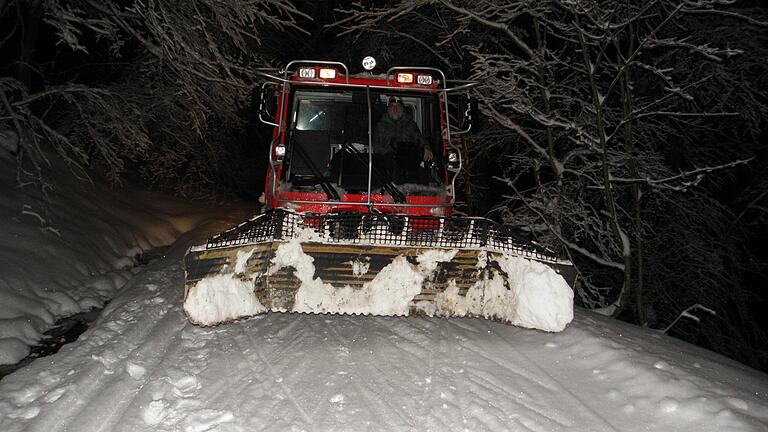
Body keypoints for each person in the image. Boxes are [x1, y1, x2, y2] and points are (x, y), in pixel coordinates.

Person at [372, 97, 433, 184]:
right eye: (393, 106)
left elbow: (419, 138)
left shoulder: (410, 124)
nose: (395, 109)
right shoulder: (381, 126)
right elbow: (376, 147)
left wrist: (426, 147)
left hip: (409, 160)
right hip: (388, 162)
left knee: (423, 175)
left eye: (398, 106)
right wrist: (391, 154)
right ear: (388, 109)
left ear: (402, 109)